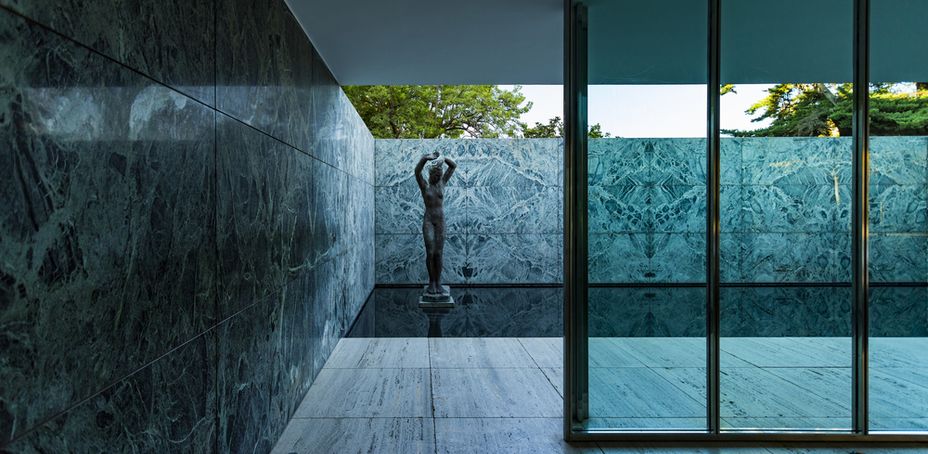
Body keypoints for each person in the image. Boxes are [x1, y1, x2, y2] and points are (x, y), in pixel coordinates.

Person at [414, 152, 456, 295]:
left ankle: (438, 283)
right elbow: (417, 171)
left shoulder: (442, 184)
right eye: (435, 174)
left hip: (440, 221)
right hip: (428, 221)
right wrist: (425, 158)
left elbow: (453, 166)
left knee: (438, 253)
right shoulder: (424, 185)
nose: (437, 177)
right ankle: (431, 283)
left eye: (439, 174)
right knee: (430, 252)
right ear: (430, 174)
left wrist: (443, 158)